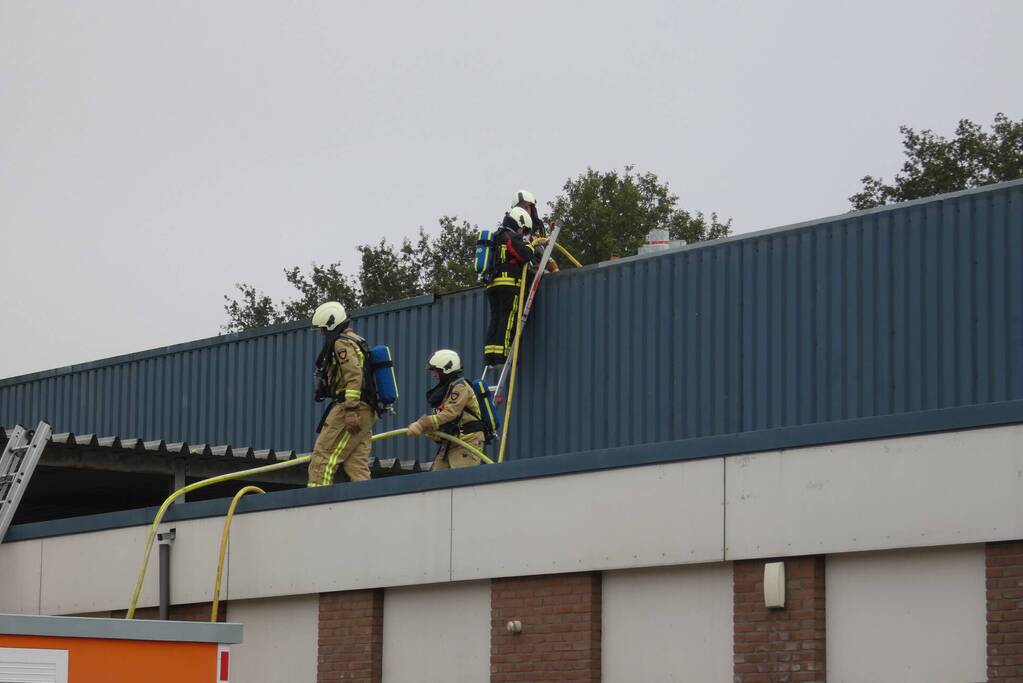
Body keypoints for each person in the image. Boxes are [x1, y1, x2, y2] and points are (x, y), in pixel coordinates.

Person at [308, 301, 376, 486]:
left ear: (330, 325)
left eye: (323, 329)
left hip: (352, 407)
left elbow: (354, 375)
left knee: (323, 457)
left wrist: (350, 409)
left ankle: (316, 498)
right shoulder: (355, 339)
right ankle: (365, 500)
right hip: (367, 409)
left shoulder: (341, 343)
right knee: (356, 464)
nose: (322, 333)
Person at [483, 206, 544, 367]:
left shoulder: (497, 236)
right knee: (508, 318)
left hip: (493, 285)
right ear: (519, 223)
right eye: (523, 230)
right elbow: (524, 254)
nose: (522, 233)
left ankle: (491, 355)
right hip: (508, 285)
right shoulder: (511, 236)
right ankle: (503, 355)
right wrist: (531, 245)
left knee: (496, 319)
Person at [406, 350, 484, 470]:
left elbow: (450, 413)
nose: (434, 374)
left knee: (460, 479)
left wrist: (423, 423)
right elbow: (442, 420)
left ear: (446, 369)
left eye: (436, 371)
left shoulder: (460, 387)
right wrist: (430, 431)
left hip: (467, 443)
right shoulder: (446, 390)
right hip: (450, 443)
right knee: (436, 479)